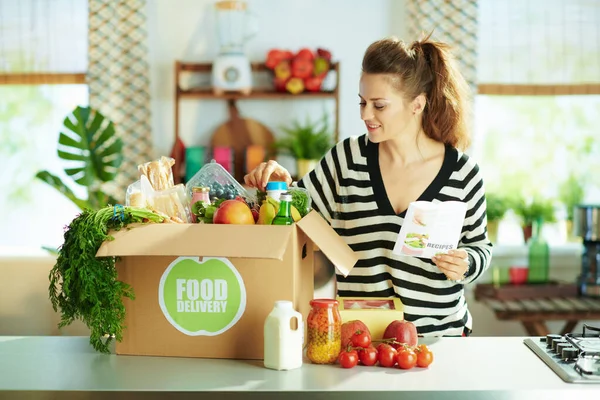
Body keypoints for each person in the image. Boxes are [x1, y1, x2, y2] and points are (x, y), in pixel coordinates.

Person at [244, 34, 492, 337]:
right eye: (362, 102)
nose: (365, 115)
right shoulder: (346, 159)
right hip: (360, 341)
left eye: (379, 105)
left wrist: (466, 262)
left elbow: (480, 247)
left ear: (417, 105)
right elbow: (298, 215)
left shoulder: (463, 173)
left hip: (441, 340)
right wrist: (281, 187)